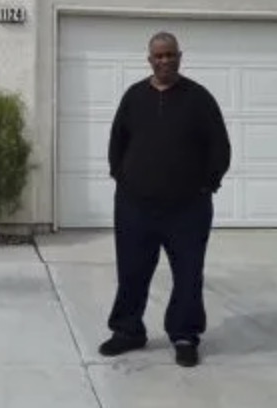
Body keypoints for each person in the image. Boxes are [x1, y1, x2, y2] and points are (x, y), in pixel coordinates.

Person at [99, 31, 231, 367]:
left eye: (170, 55)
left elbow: (220, 146)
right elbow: (117, 141)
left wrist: (207, 184)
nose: (164, 61)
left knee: (188, 274)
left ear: (179, 57)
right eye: (158, 56)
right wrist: (122, 177)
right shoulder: (134, 97)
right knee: (132, 271)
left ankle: (184, 335)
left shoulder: (198, 98)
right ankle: (128, 331)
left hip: (188, 209)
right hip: (135, 206)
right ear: (149, 60)